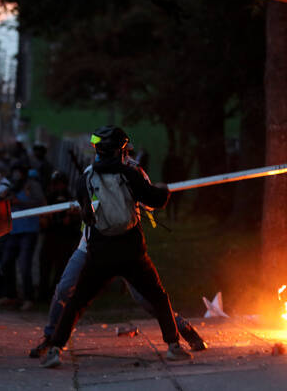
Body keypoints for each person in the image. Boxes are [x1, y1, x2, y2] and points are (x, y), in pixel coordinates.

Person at [40, 125, 193, 368]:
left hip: (99, 251)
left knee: (77, 301)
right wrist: (164, 190)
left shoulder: (85, 178)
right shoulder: (130, 174)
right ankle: (174, 345)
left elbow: (87, 215)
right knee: (157, 296)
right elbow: (154, 200)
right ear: (121, 150)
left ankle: (55, 348)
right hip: (131, 252)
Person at [0, 165, 45, 310]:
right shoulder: (11, 186)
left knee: (25, 266)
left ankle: (28, 298)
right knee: (6, 262)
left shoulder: (33, 185)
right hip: (13, 230)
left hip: (29, 230)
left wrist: (20, 202)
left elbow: (40, 202)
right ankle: (11, 295)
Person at [38, 171, 80, 301]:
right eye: (56, 184)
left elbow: (75, 218)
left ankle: (55, 295)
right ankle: (43, 295)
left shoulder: (70, 199)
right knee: (45, 265)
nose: (58, 187)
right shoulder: (49, 198)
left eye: (60, 184)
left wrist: (69, 218)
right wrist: (46, 219)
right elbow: (44, 219)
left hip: (64, 238)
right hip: (50, 236)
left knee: (61, 268)